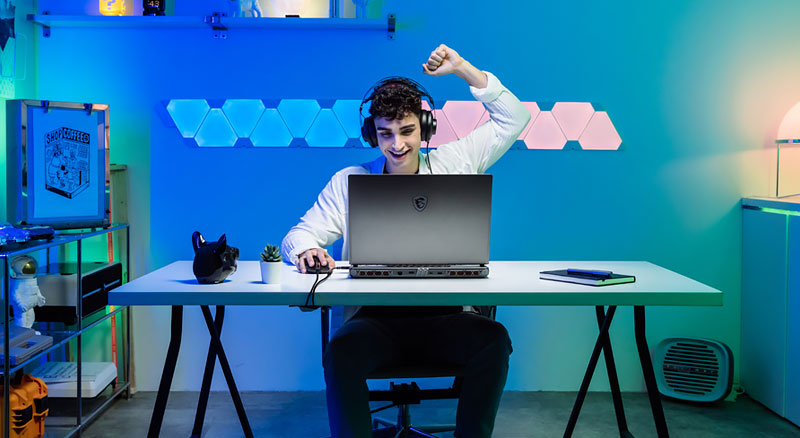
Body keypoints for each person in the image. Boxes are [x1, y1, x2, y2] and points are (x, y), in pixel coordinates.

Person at [282, 44, 530, 438]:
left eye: (408, 131)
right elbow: (297, 235)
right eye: (385, 133)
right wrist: (307, 249)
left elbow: (516, 117)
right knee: (342, 351)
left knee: (494, 340)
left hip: (448, 319)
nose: (397, 144)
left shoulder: (457, 162)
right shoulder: (351, 181)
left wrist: (462, 68)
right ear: (372, 134)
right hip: (375, 324)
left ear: (426, 128)